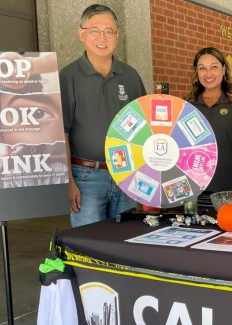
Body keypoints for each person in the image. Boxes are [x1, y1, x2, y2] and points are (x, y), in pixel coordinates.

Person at [59, 4, 147, 227]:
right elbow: (62, 135)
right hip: (86, 178)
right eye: (94, 30)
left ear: (117, 36)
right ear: (81, 33)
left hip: (127, 174)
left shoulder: (131, 76)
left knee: (125, 244)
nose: (102, 37)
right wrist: (69, 182)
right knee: (90, 247)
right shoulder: (67, 77)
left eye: (109, 31)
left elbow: (146, 130)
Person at [184, 47, 232, 193]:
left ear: (223, 70)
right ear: (197, 72)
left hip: (228, 189)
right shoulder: (187, 105)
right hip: (192, 189)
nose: (208, 74)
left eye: (214, 67)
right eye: (202, 68)